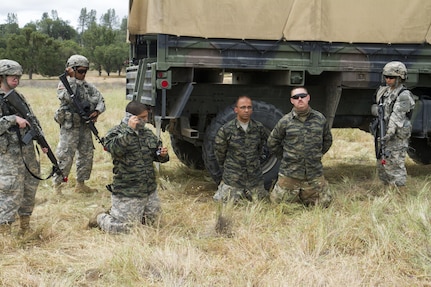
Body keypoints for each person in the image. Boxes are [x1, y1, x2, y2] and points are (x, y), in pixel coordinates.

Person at [88, 101, 169, 234]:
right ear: (131, 117)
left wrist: (162, 155)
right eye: (142, 118)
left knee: (155, 224)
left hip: (148, 190)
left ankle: (125, 212)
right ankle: (100, 218)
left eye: (146, 117)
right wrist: (130, 130)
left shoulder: (147, 134)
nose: (146, 120)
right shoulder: (115, 133)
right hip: (128, 191)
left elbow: (157, 154)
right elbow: (115, 149)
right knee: (126, 229)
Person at [0, 59, 46, 235]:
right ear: (2, 76)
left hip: (26, 151)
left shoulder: (17, 96)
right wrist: (12, 119)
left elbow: (31, 118)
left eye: (18, 76)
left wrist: (41, 141)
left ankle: (24, 226)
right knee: (10, 190)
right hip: (8, 155)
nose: (16, 79)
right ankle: (4, 232)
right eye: (13, 76)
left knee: (30, 186)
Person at [267, 87, 332, 207]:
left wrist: (315, 155)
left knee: (324, 203)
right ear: (292, 101)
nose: (300, 99)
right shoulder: (285, 121)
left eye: (302, 96)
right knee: (280, 205)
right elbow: (272, 142)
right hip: (290, 173)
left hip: (314, 172)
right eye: (296, 97)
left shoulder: (320, 119)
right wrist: (285, 157)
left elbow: (327, 140)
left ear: (308, 97)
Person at [52, 54, 106, 194]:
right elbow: (67, 98)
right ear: (71, 69)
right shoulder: (64, 84)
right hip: (70, 126)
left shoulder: (88, 86)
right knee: (65, 155)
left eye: (85, 71)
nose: (83, 74)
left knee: (86, 154)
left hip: (85, 125)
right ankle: (57, 186)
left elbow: (101, 100)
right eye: (80, 71)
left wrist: (97, 111)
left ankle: (80, 184)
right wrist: (71, 79)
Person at [213, 95, 268, 203]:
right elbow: (220, 153)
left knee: (262, 202)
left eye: (249, 107)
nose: (246, 110)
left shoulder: (259, 128)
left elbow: (260, 148)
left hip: (254, 178)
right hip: (233, 179)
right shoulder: (226, 130)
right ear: (236, 110)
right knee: (223, 202)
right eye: (243, 107)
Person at [372, 61, 415, 188]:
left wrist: (389, 133)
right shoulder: (384, 91)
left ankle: (399, 192)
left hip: (396, 133)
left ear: (400, 78)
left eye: (391, 77)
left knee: (395, 163)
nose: (388, 80)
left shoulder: (403, 95)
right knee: (382, 163)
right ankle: (387, 189)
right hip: (384, 130)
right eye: (386, 77)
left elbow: (397, 116)